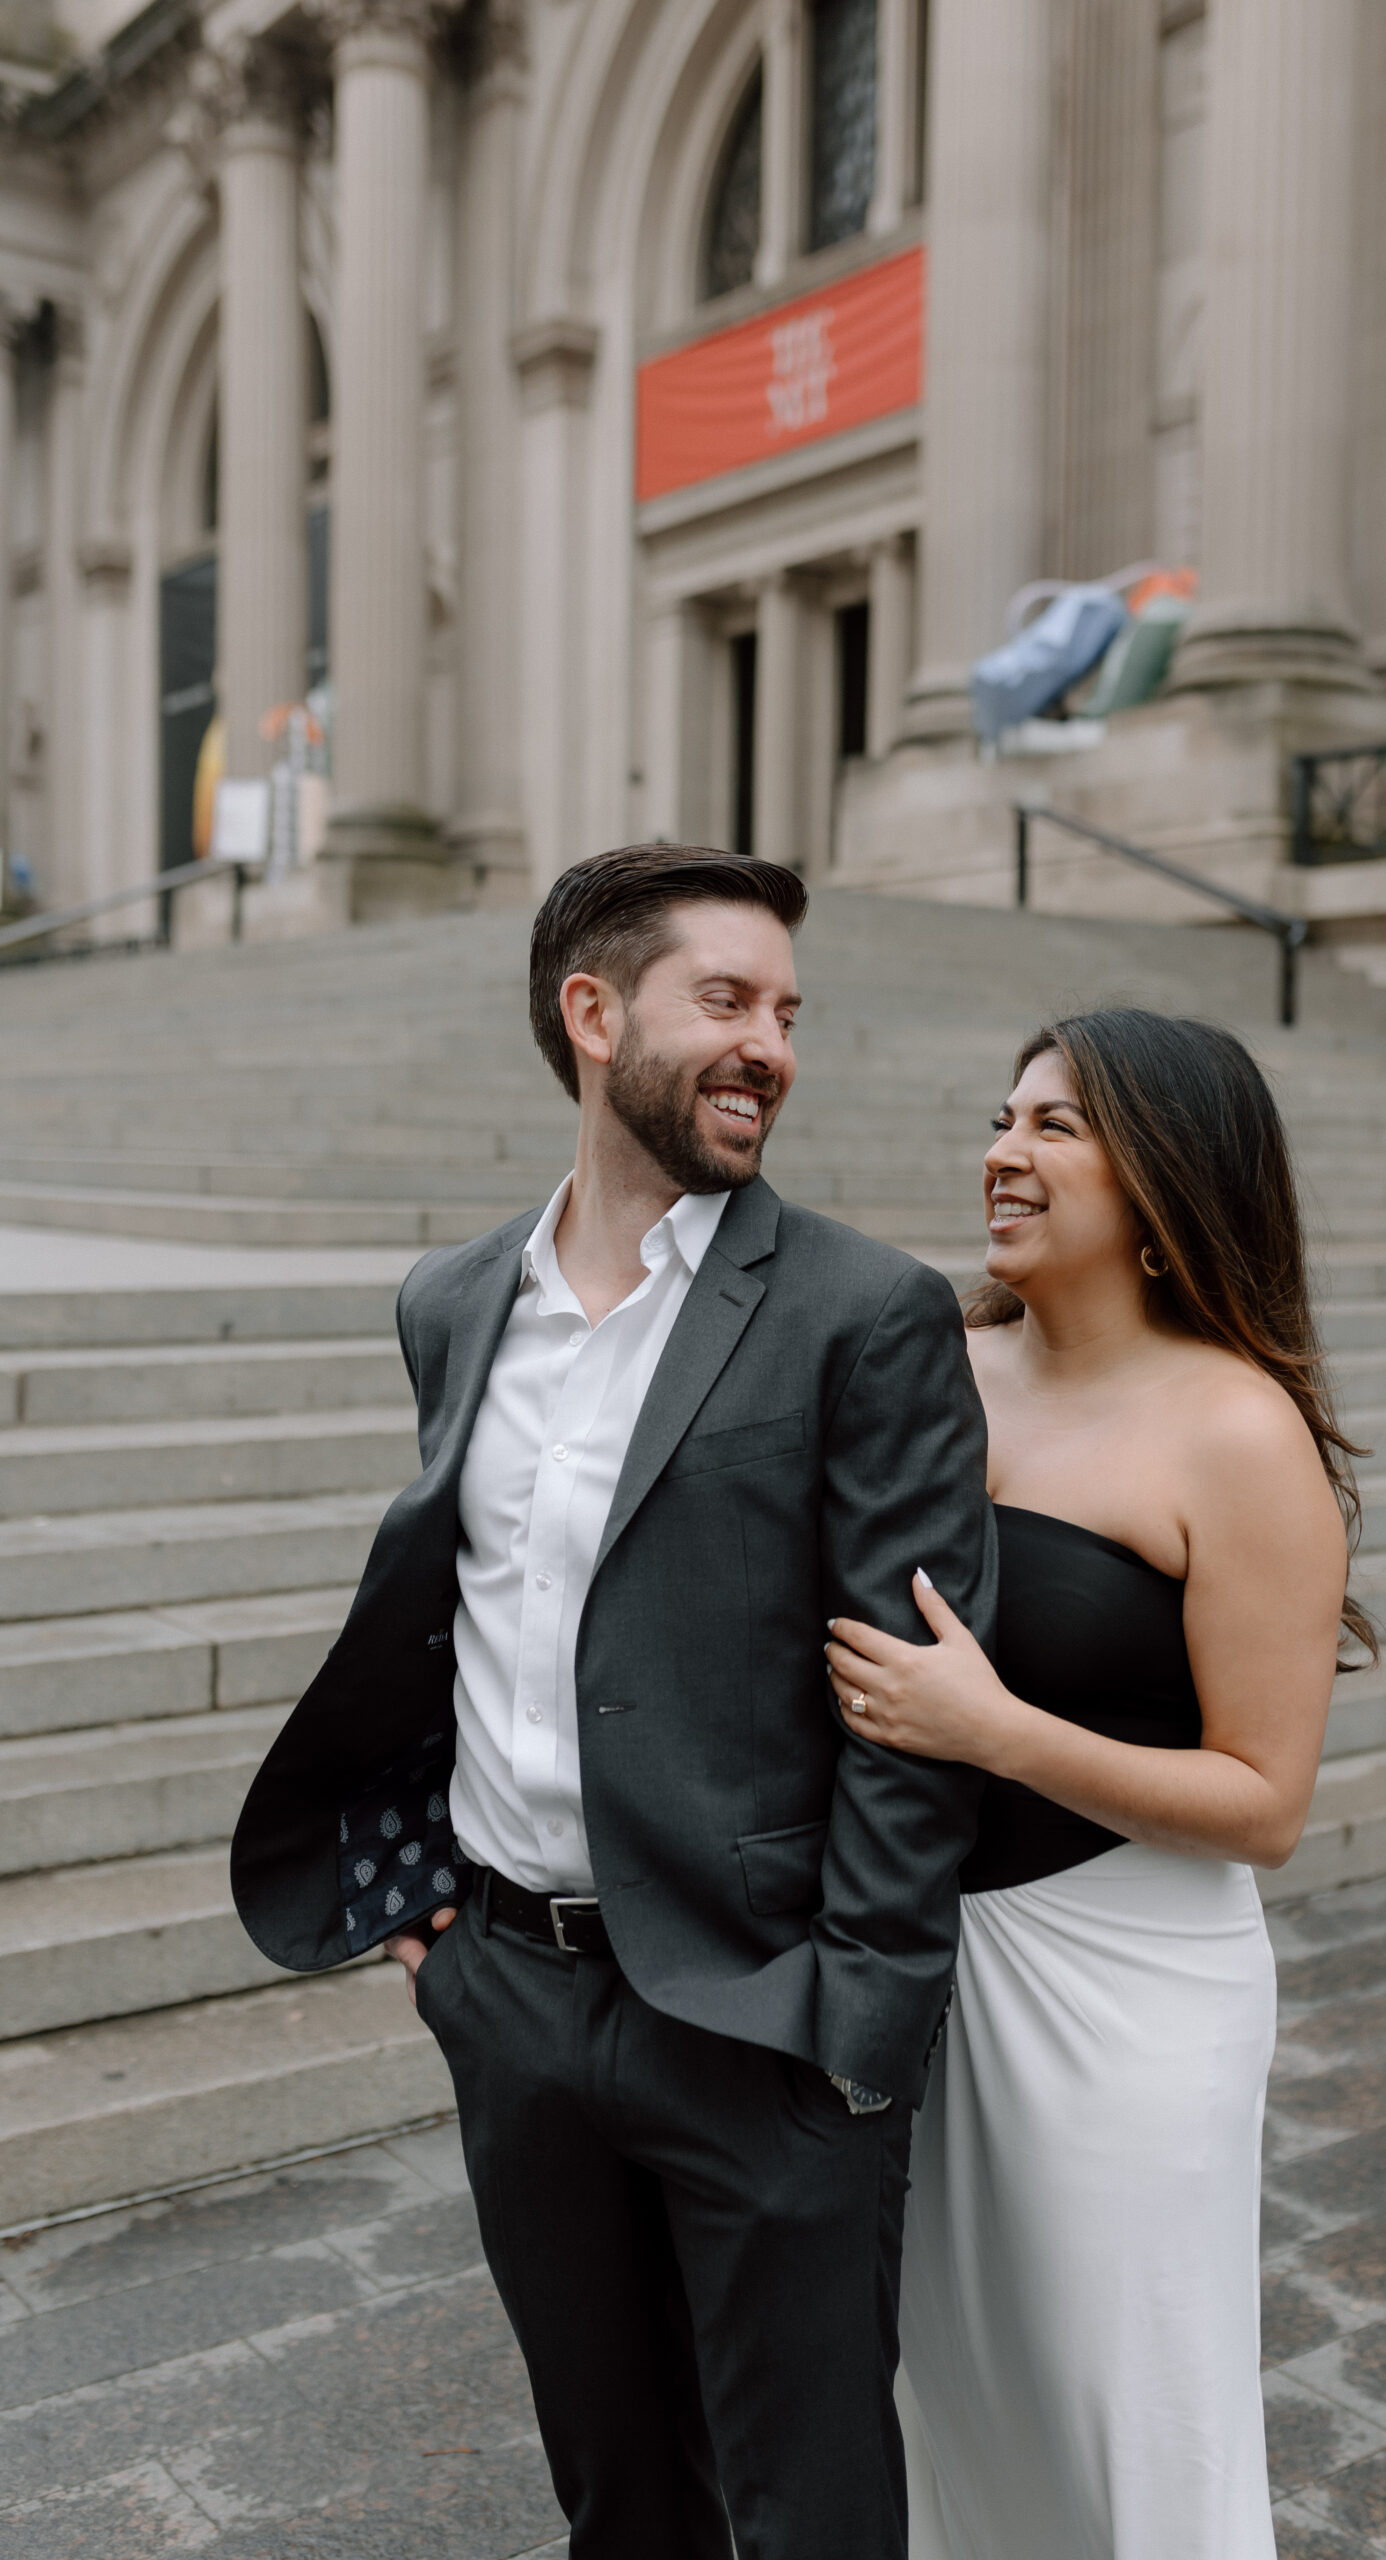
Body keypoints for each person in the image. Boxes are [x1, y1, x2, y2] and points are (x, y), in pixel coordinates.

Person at [231, 843, 997, 2560]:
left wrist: (857, 2041)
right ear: (593, 1014)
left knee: (812, 2514)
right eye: (724, 999)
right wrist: (432, 1913)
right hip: (512, 1997)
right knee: (618, 2496)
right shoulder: (453, 1303)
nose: (770, 1046)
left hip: (761, 2027)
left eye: (788, 1012)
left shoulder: (864, 1317)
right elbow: (472, 1611)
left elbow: (916, 1708)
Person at [826, 1007, 1370, 2560]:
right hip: (915, 1960)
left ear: (1168, 1173)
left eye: (1055, 1125)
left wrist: (995, 1731)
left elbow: (1265, 1800)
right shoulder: (931, 1359)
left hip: (1125, 1987)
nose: (1003, 1150)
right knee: (945, 2402)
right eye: (1004, 1117)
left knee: (1123, 2409)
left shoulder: (1236, 1432)